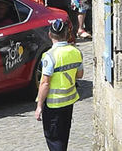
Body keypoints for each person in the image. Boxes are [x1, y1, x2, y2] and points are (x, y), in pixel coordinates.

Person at [35, 18, 83, 151]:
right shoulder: (76, 52)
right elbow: (80, 75)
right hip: (69, 101)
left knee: (54, 139)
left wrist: (39, 105)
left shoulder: (49, 56)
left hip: (53, 104)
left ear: (50, 35)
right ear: (67, 35)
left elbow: (44, 83)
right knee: (63, 136)